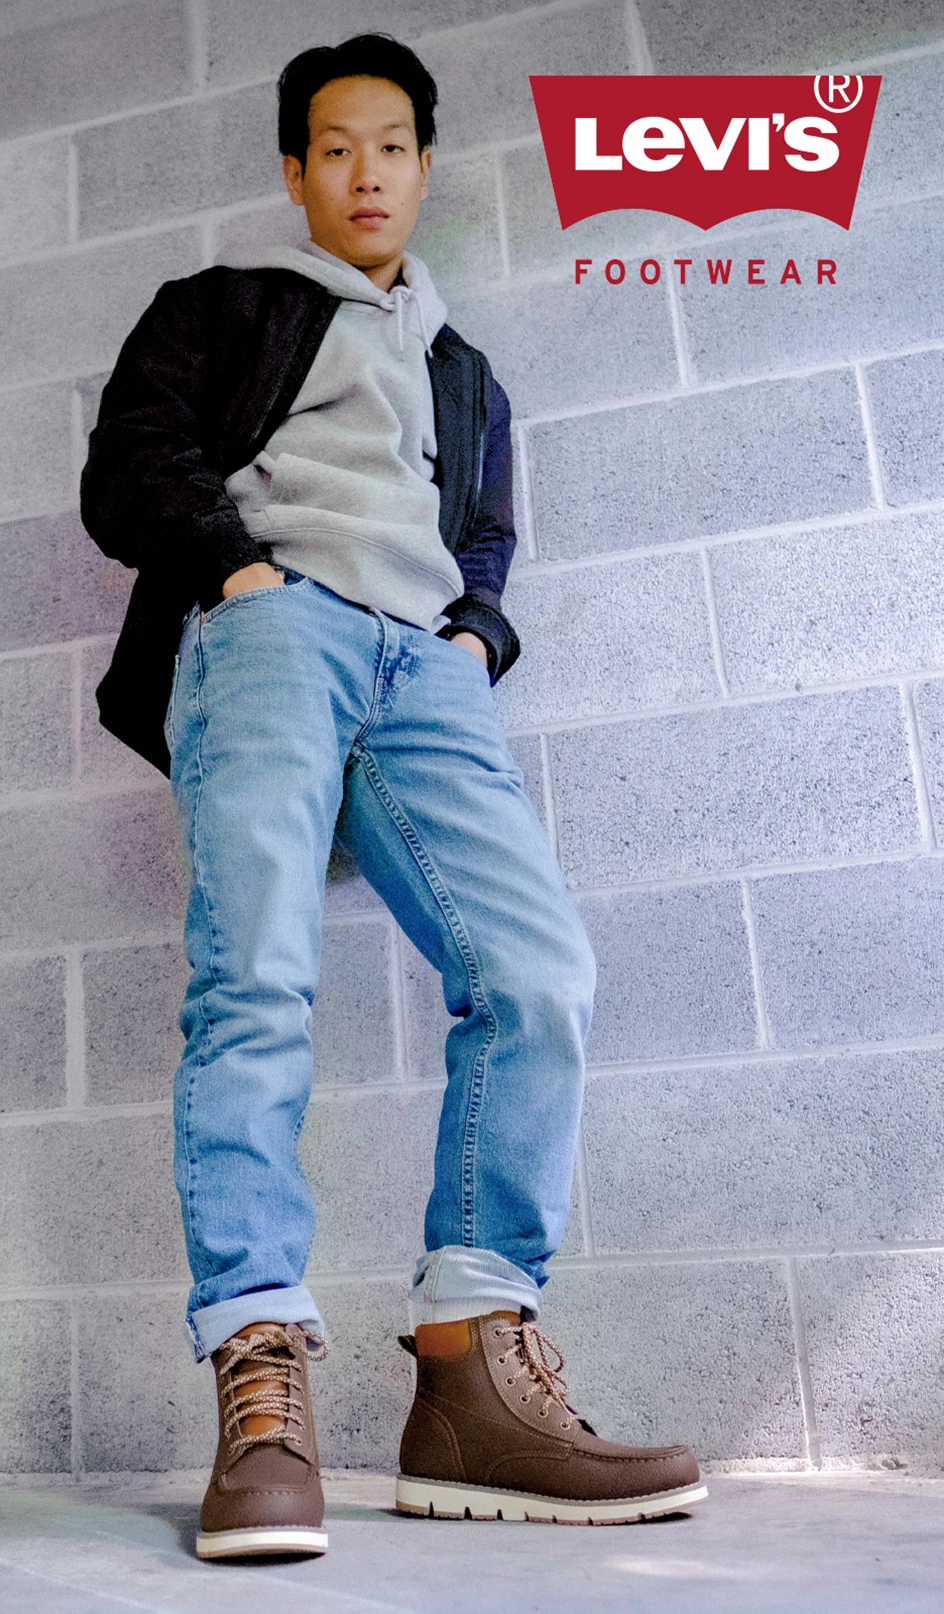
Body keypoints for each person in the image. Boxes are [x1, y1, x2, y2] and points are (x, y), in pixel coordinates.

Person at [80, 32, 704, 1560]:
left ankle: (470, 1368)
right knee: (258, 984)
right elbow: (125, 469)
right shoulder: (220, 307)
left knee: (540, 972)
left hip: (422, 671)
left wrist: (472, 641)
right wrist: (241, 573)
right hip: (273, 627)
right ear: (296, 171)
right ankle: (262, 1371)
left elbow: (484, 539)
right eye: (336, 148)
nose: (367, 172)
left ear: (427, 164)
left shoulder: (463, 369)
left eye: (394, 146)